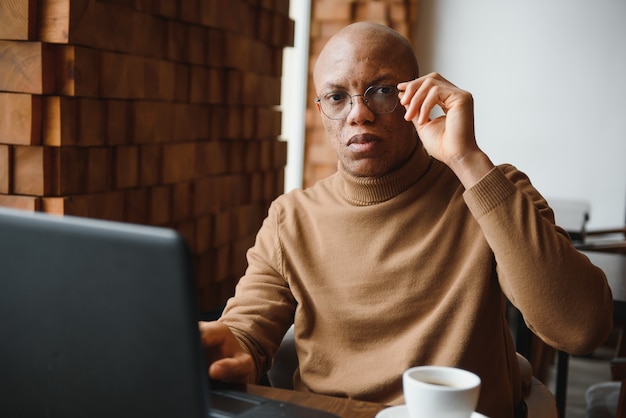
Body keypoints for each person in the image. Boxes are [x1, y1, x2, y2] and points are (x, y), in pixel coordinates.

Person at [199, 22, 613, 418]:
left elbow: (580, 329)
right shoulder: (291, 218)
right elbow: (248, 331)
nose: (359, 114)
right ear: (321, 109)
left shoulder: (492, 189)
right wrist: (231, 346)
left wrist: (466, 160)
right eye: (337, 97)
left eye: (380, 91)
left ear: (417, 96)